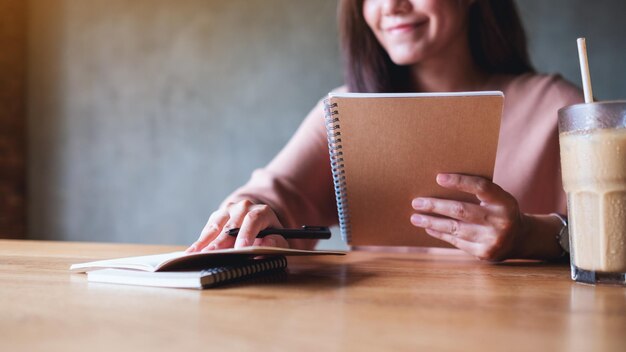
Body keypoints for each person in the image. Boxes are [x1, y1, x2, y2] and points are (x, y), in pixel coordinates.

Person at [186, 0, 583, 261]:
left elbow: (614, 236)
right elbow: (277, 190)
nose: (391, 6)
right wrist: (250, 213)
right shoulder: (344, 112)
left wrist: (528, 234)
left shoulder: (559, 108)